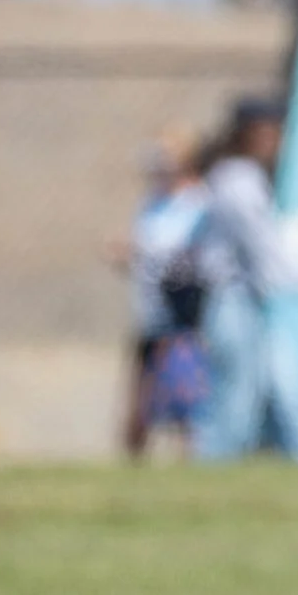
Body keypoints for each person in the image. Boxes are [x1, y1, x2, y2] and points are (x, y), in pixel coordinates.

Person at [195, 98, 298, 462]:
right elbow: (267, 255)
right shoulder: (237, 182)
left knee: (270, 390)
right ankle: (214, 467)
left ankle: (294, 457)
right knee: (236, 397)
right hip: (233, 300)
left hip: (250, 301)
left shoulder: (243, 178)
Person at [109, 129, 220, 459]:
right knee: (138, 405)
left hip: (185, 318)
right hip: (150, 313)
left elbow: (195, 258)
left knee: (187, 404)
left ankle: (193, 468)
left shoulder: (200, 203)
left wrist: (146, 253)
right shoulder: (151, 203)